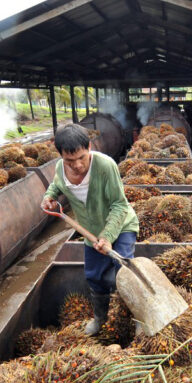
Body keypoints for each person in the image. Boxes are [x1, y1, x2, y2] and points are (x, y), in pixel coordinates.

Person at [41, 124, 139, 335]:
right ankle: (100, 318)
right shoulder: (60, 168)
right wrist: (49, 197)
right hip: (89, 232)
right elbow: (57, 185)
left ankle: (138, 317)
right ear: (61, 156)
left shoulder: (105, 166)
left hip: (120, 227)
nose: (77, 165)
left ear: (89, 148)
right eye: (69, 160)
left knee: (124, 274)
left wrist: (108, 236)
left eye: (82, 157)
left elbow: (120, 205)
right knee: (94, 276)